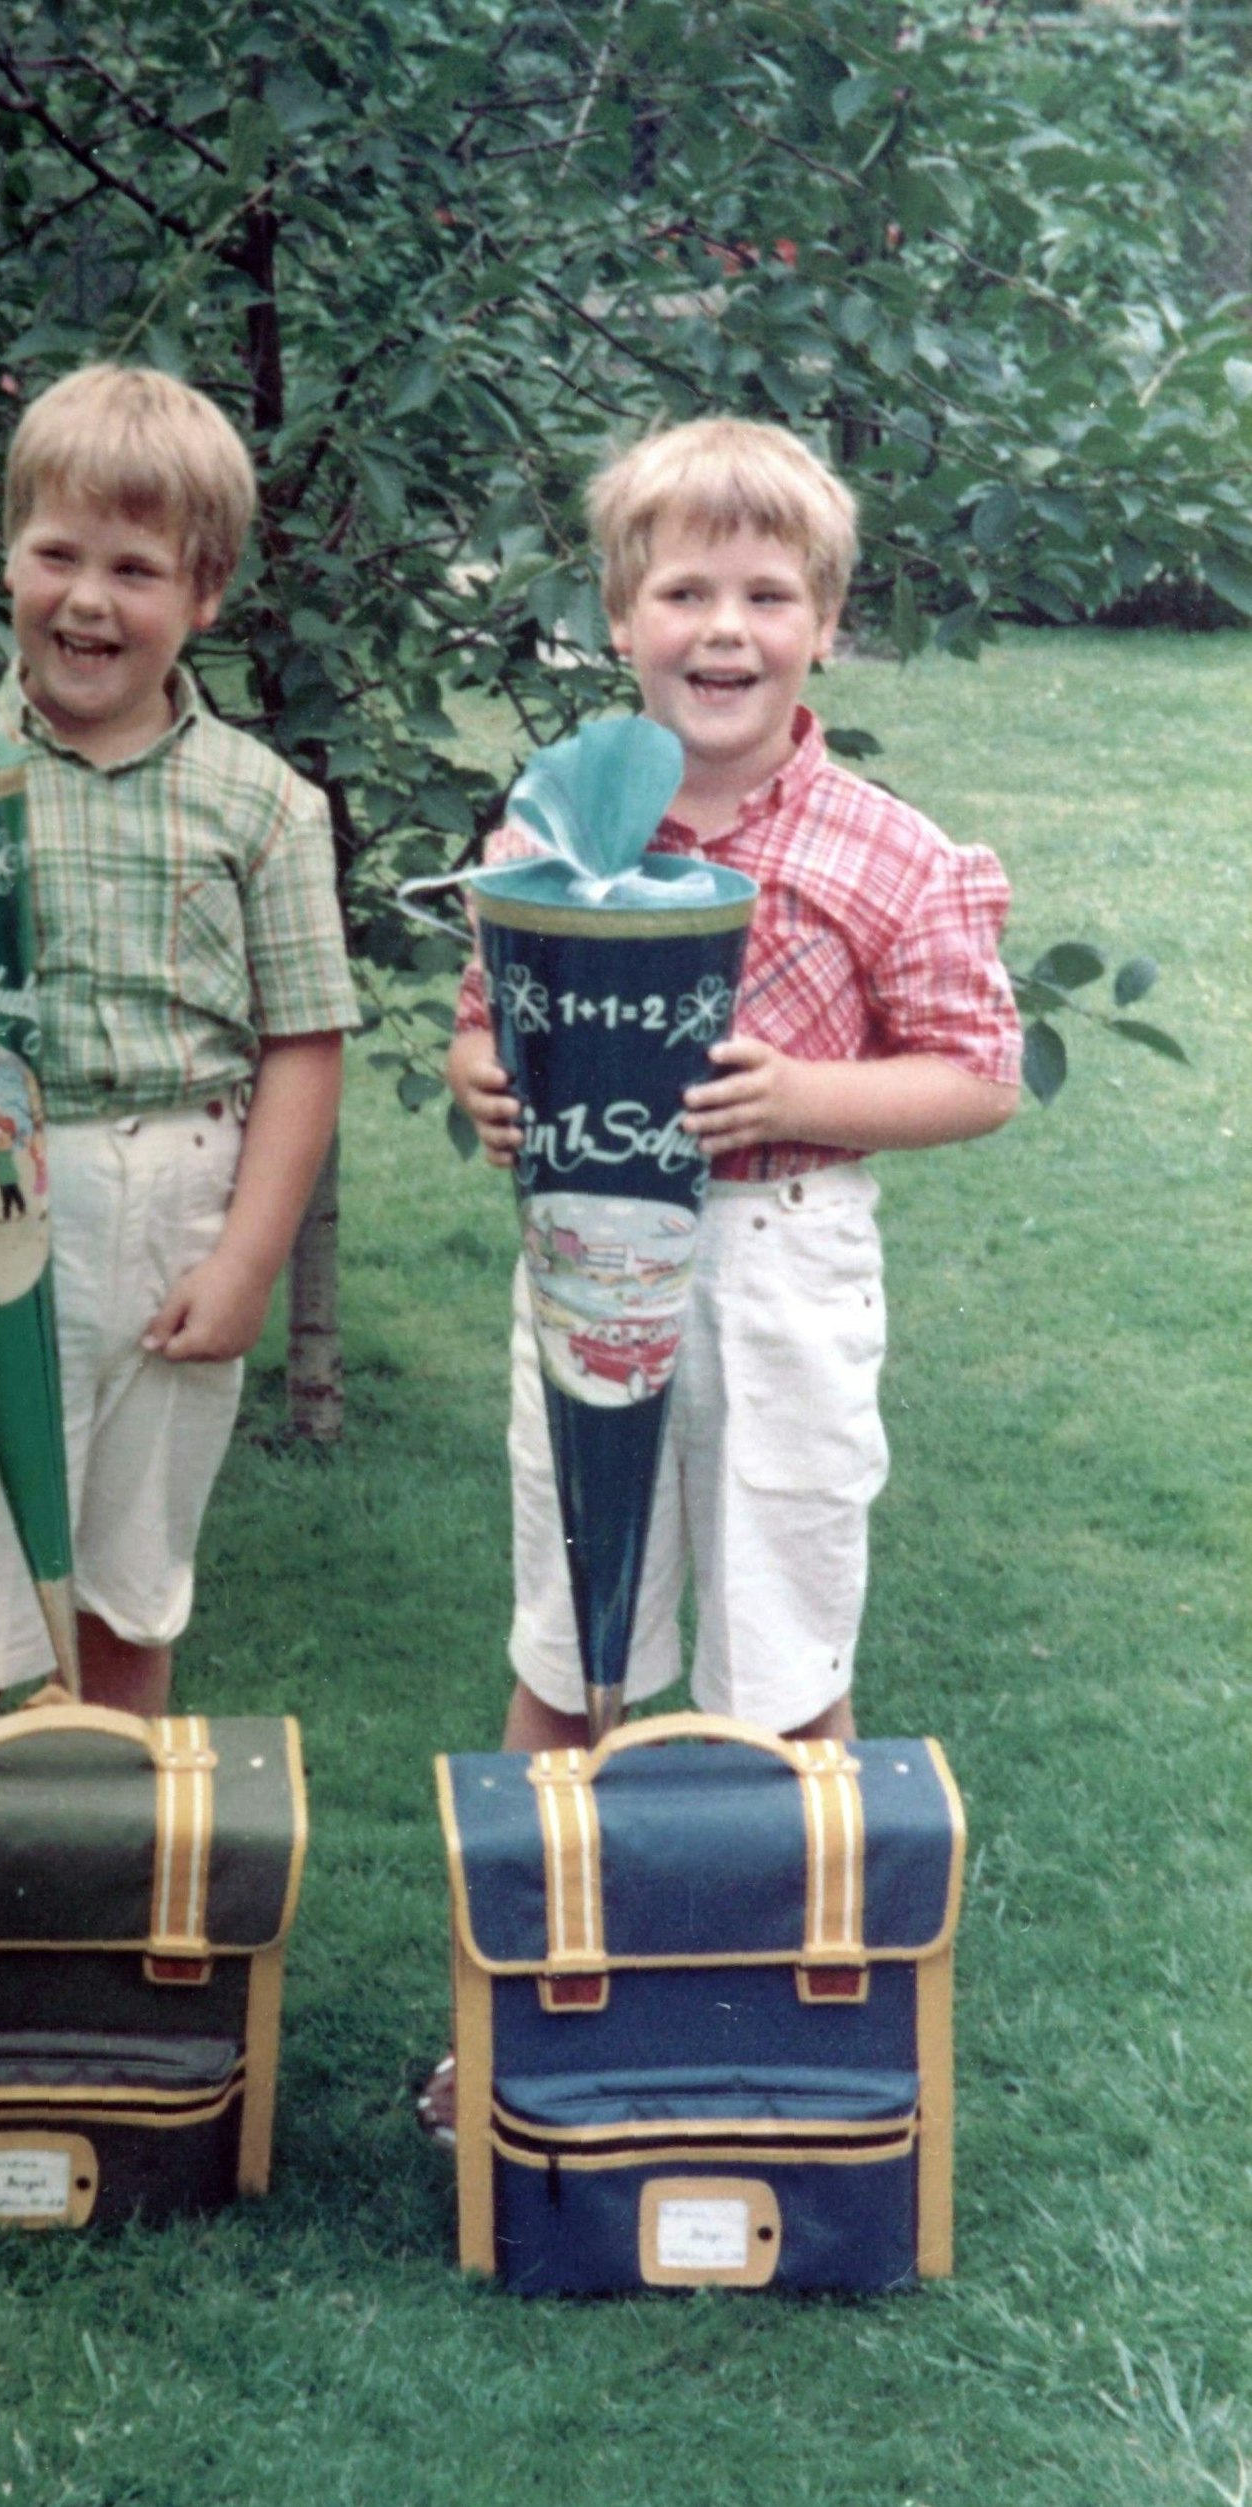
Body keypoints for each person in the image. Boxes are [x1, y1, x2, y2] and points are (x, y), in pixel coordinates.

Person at [418, 413, 1021, 2143]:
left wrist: (804, 1095)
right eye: (684, 589)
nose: (724, 629)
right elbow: (491, 1017)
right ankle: (517, 2020)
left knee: (783, 1637)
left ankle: (800, 2013)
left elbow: (978, 1069)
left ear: (823, 623)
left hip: (777, 1258)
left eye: (768, 593)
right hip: (592, 1259)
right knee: (570, 1631)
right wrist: (480, 1082)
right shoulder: (545, 820)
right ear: (620, 616)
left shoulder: (886, 848)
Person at [0, 363, 359, 1721]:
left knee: (128, 1598)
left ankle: (113, 1919)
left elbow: (304, 1047)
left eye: (137, 567)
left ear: (205, 592)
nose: (89, 598)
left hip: (182, 1216)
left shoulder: (267, 804)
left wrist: (249, 1262)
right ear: (8, 559)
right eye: (57, 554)